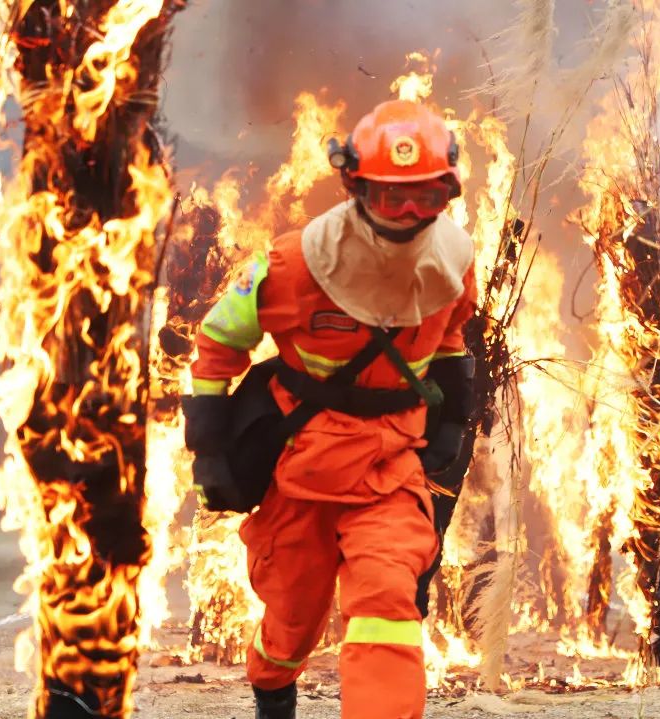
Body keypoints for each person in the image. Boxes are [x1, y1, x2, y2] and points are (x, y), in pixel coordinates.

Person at [185, 99, 477, 719]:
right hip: (302, 471)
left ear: (448, 194)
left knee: (387, 602)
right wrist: (208, 448)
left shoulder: (454, 263)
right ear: (355, 187)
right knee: (290, 618)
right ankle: (273, 696)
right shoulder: (293, 266)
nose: (407, 213)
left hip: (389, 471)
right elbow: (219, 341)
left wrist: (451, 419)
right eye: (390, 195)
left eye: (424, 197)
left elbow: (451, 340)